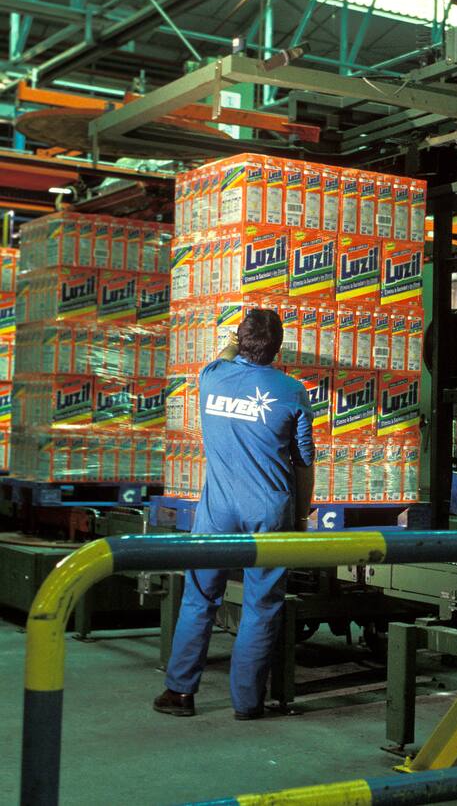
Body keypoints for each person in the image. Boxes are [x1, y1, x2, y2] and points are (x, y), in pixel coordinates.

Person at [154, 308, 315, 720]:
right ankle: (247, 703)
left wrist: (233, 337)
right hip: (270, 509)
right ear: (278, 349)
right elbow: (303, 463)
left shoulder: (211, 378)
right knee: (262, 604)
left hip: (219, 509)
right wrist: (299, 519)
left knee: (200, 597)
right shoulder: (293, 391)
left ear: (241, 342)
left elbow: (224, 354)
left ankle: (180, 692)